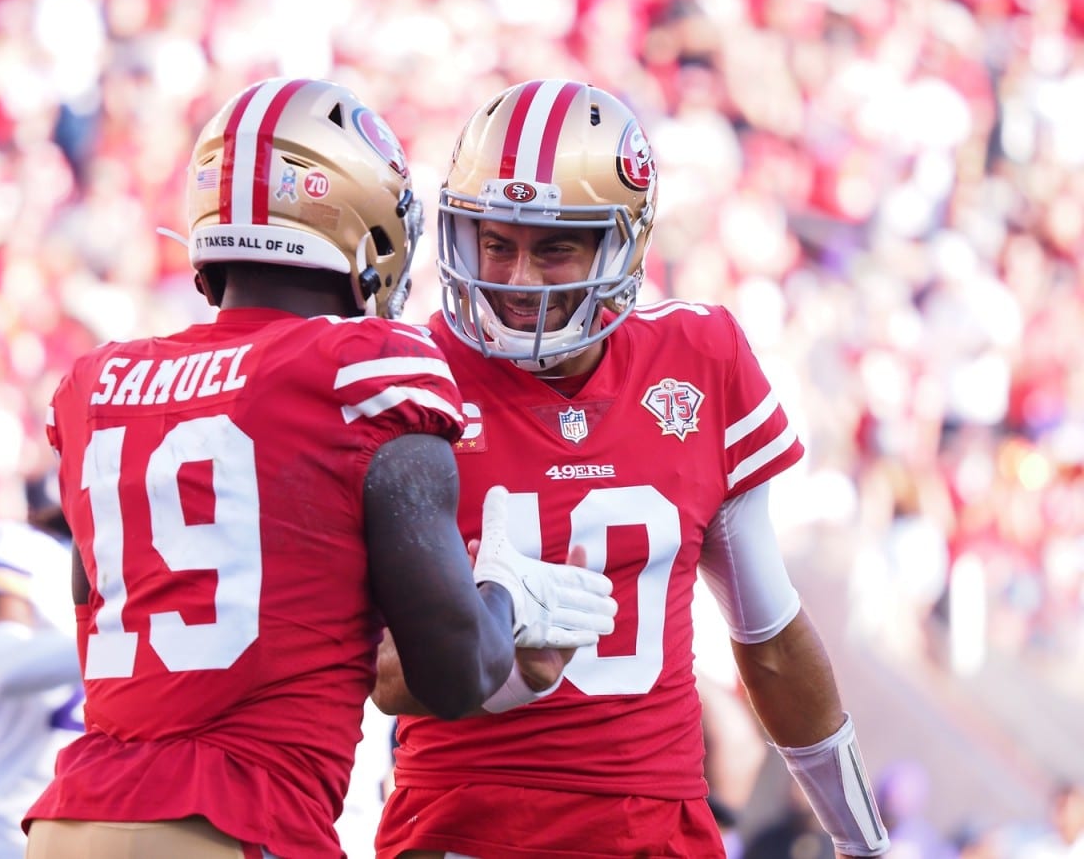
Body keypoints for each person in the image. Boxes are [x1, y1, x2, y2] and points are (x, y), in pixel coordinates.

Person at [21, 77, 616, 859]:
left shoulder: (100, 382)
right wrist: (505, 598)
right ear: (367, 223)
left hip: (71, 823)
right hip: (237, 825)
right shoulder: (365, 368)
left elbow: (96, 602)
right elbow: (452, 671)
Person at [372, 79, 890, 859]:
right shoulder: (410, 374)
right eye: (496, 240)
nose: (516, 279)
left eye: (554, 247)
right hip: (465, 827)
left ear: (624, 244)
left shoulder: (701, 357)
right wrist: (499, 639)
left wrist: (864, 842)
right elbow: (382, 676)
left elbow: (770, 636)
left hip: (657, 831)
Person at [0, 515, 82, 859]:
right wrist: (127, 642)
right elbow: (3, 666)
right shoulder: (15, 543)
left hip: (86, 839)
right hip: (5, 842)